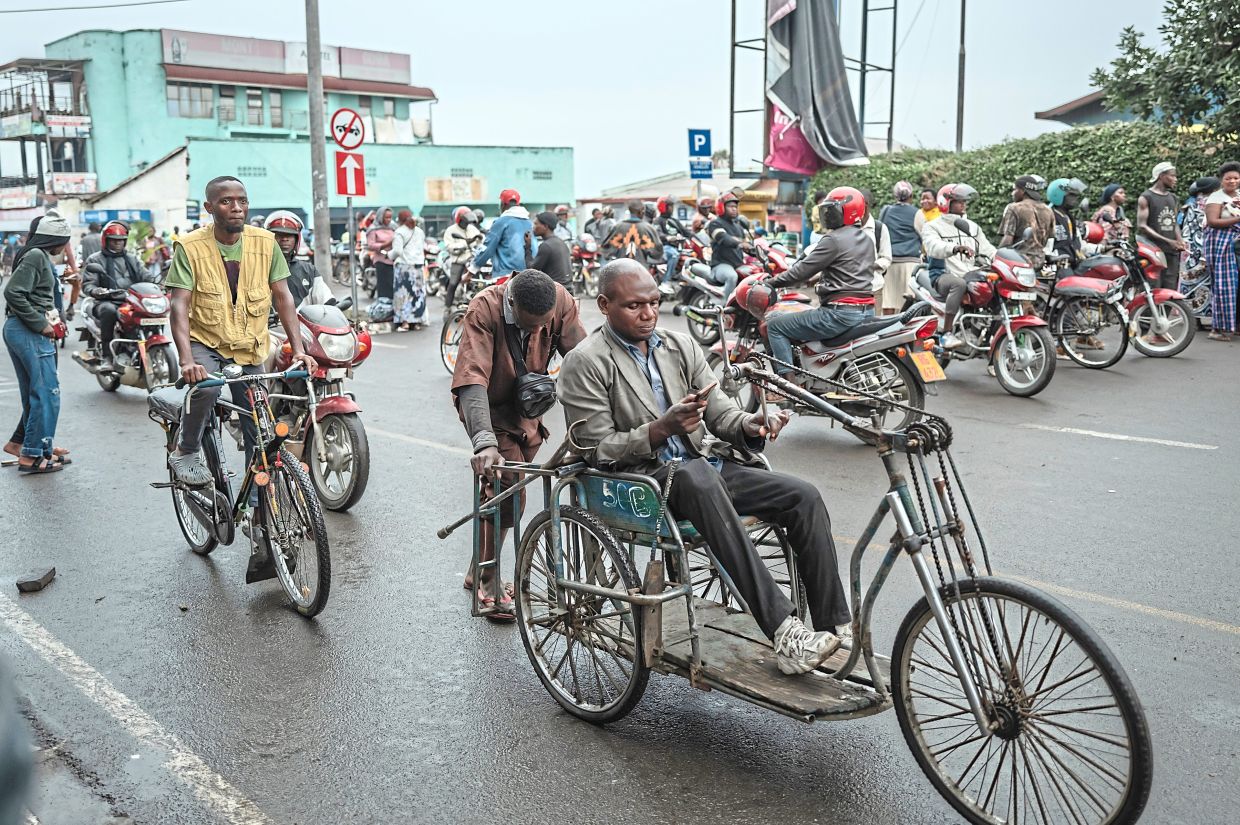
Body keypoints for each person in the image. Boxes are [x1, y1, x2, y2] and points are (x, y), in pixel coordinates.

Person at [558, 259, 853, 673]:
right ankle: (785, 631)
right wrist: (661, 429)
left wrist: (753, 423)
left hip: (702, 473)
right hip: (641, 484)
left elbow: (722, 415)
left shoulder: (679, 346)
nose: (648, 314)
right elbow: (597, 449)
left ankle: (830, 626)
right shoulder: (585, 361)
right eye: (634, 306)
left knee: (802, 496)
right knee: (696, 475)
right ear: (605, 305)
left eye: (655, 303)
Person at [165, 177, 317, 577]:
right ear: (210, 207)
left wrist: (299, 348)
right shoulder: (190, 247)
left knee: (260, 430)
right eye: (227, 201)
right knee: (207, 387)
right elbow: (179, 307)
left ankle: (258, 507)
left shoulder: (265, 244)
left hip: (249, 344)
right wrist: (186, 360)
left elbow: (282, 296)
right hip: (205, 342)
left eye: (242, 201)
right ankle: (186, 448)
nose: (236, 207)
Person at [450, 268, 586, 620]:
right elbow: (471, 376)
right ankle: (490, 582)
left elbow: (584, 358)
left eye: (545, 325)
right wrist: (483, 442)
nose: (539, 333)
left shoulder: (561, 301)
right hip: (489, 410)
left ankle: (477, 568)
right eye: (530, 326)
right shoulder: (485, 308)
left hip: (529, 409)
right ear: (511, 303)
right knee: (507, 488)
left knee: (502, 494)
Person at [763, 187, 878, 373]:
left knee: (775, 325)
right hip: (866, 312)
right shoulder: (866, 238)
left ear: (848, 212)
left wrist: (771, 282)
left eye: (832, 210)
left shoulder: (833, 239)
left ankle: (787, 385)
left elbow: (800, 272)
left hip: (839, 315)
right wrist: (819, 278)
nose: (828, 215)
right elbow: (849, 270)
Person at [2, 210, 71, 473]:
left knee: (37, 394)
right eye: (64, 241)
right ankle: (31, 456)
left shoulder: (37, 256)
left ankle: (34, 447)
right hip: (28, 330)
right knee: (46, 394)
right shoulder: (35, 256)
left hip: (23, 330)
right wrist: (41, 324)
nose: (65, 246)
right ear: (55, 240)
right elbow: (13, 293)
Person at [921, 183, 996, 350]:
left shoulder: (972, 226)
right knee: (958, 284)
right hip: (943, 274)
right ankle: (946, 334)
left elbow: (986, 248)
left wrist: (1001, 258)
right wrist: (954, 248)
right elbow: (933, 246)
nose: (963, 204)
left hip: (969, 272)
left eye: (964, 201)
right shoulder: (933, 226)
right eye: (958, 201)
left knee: (996, 286)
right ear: (945, 203)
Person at [81, 220, 150, 371]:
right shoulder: (95, 259)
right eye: (114, 240)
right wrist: (96, 290)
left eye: (121, 240)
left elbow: (146, 276)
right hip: (106, 301)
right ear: (106, 240)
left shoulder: (132, 259)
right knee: (109, 311)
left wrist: (162, 283)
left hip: (131, 300)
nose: (118, 243)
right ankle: (107, 356)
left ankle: (141, 348)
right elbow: (88, 284)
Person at [1203, 161, 1240, 341]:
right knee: (1223, 286)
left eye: (1235, 178)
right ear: (1221, 180)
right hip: (1219, 243)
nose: (1232, 181)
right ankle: (1218, 328)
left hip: (1235, 244)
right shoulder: (1216, 197)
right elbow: (1212, 222)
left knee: (1236, 287)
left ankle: (1236, 325)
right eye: (1228, 178)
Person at [1137, 162, 1187, 291]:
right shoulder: (1146, 197)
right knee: (1152, 288)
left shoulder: (1173, 198)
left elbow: (1173, 222)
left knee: (1170, 289)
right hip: (1152, 251)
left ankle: (1167, 312)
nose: (1175, 179)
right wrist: (1169, 241)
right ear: (1161, 176)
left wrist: (1179, 240)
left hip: (1171, 252)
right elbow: (1142, 226)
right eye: (1172, 176)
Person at [878, 181, 922, 315]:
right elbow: (924, 235)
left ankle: (888, 331)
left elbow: (880, 233)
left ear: (895, 195)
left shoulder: (886, 211)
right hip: (910, 264)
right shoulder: (917, 213)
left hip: (890, 262)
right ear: (911, 196)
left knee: (889, 300)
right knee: (909, 301)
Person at [263, 211, 322, 307]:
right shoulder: (257, 268)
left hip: (302, 321)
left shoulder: (309, 270)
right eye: (278, 235)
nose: (284, 239)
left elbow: (325, 299)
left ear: (296, 239)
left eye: (289, 235)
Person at [998, 175, 1054, 272]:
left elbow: (1007, 241)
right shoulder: (1048, 210)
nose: (1012, 193)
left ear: (1023, 191)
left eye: (1014, 189)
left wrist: (996, 256)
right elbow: (1049, 240)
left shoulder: (1014, 208)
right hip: (1040, 262)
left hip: (1018, 262)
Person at [472, 189, 531, 278]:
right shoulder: (530, 223)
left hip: (506, 275)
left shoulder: (501, 222)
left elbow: (487, 249)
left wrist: (472, 270)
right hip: (528, 275)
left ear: (502, 204)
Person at [706, 192, 749, 299]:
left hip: (738, 264)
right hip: (721, 265)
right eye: (730, 206)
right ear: (721, 207)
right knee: (731, 277)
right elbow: (724, 239)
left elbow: (747, 245)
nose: (734, 209)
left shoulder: (738, 227)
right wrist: (740, 243)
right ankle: (725, 306)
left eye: (735, 206)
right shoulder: (715, 223)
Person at [600, 198, 664, 268]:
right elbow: (658, 251)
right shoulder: (648, 228)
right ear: (641, 211)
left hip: (621, 269)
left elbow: (606, 247)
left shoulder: (618, 227)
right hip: (641, 270)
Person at [391, 209, 428, 330]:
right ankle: (416, 322)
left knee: (403, 295)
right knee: (417, 294)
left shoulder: (399, 232)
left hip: (404, 267)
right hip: (418, 267)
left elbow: (397, 251)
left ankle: (405, 323)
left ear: (400, 220)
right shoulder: (420, 231)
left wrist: (388, 255)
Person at [442, 206, 482, 310]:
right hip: (458, 261)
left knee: (479, 283)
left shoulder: (472, 229)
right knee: (453, 283)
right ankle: (447, 308)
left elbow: (480, 242)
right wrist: (465, 243)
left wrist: (480, 239)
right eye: (465, 222)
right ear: (459, 220)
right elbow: (449, 247)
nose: (466, 224)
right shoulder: (450, 231)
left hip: (471, 260)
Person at [1181, 176, 1219, 278]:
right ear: (1214, 189)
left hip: (1189, 249)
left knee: (1189, 280)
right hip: (1205, 250)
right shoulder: (1211, 203)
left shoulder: (1191, 203)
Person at [859, 190, 892, 308]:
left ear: (868, 205)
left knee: (873, 324)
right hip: (850, 290)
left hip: (874, 288)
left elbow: (886, 258)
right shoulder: (847, 227)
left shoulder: (879, 228)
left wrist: (869, 266)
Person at [654, 195, 692, 294]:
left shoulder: (674, 221)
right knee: (674, 255)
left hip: (677, 247)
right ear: (663, 207)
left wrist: (696, 236)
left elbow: (686, 231)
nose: (672, 208)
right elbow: (657, 233)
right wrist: (667, 237)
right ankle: (666, 281)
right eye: (670, 206)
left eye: (672, 206)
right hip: (664, 247)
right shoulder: (658, 220)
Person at [1047, 178, 1088, 272]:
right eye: (1071, 195)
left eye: (1076, 195)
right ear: (1058, 194)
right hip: (1056, 267)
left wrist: (1102, 248)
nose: (1075, 198)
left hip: (1072, 264)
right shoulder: (1048, 215)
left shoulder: (1069, 217)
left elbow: (1077, 244)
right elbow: (1044, 245)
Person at [526, 211, 572, 289]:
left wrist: (527, 248)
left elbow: (531, 270)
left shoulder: (546, 246)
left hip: (555, 291)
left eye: (536, 224)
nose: (533, 227)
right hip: (568, 290)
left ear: (545, 226)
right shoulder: (561, 243)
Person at [367, 207, 397, 301]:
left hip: (394, 260)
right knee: (384, 287)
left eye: (390, 217)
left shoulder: (393, 227)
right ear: (380, 217)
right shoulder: (373, 228)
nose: (388, 220)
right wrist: (386, 244)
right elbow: (371, 245)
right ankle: (384, 308)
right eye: (386, 217)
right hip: (381, 261)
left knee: (394, 287)